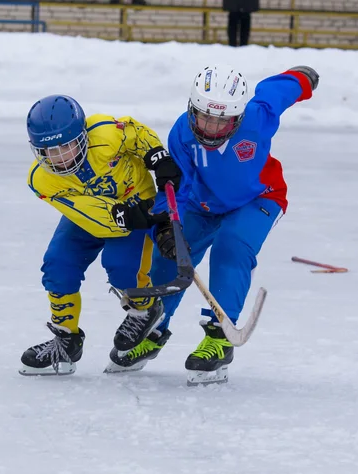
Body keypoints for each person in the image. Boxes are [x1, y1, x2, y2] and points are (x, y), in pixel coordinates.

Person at [111, 64, 319, 383]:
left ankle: (218, 337)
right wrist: (168, 225)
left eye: (222, 121)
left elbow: (276, 92)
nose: (210, 128)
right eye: (204, 116)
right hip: (203, 202)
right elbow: (176, 186)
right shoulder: (182, 133)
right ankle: (155, 328)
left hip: (259, 198)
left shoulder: (257, 119)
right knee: (174, 250)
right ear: (192, 108)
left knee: (231, 246)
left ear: (237, 118)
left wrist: (301, 78)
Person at [19, 94, 181, 376]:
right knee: (58, 265)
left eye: (66, 146)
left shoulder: (106, 132)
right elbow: (86, 211)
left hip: (137, 201)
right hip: (93, 215)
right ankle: (66, 340)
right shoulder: (41, 179)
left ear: (82, 136)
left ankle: (145, 311)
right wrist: (128, 216)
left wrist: (158, 157)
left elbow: (136, 133)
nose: (59, 158)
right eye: (49, 151)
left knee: (121, 268)